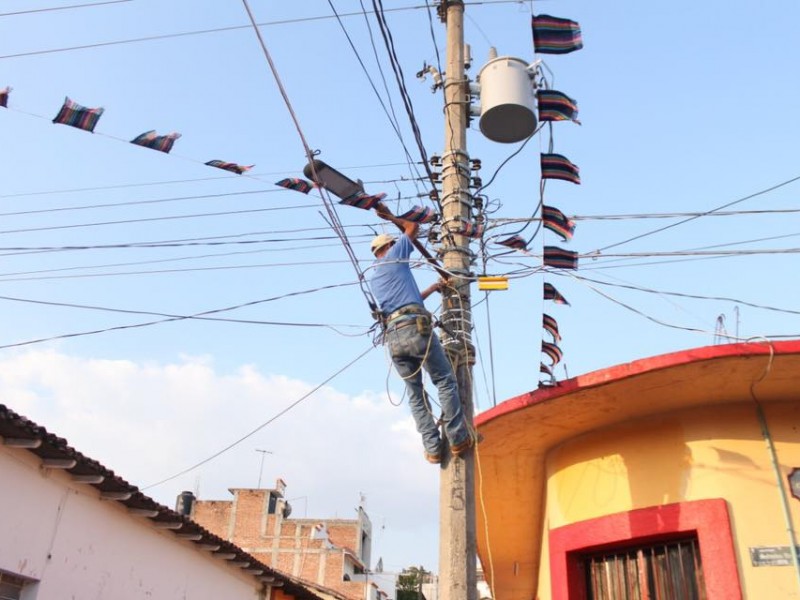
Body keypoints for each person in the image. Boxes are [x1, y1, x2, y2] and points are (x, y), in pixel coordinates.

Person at [369, 206, 473, 463]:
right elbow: (412, 229)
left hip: (394, 336)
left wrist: (432, 288)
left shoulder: (375, 278)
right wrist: (390, 217)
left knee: (415, 394)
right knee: (444, 380)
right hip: (416, 328)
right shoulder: (395, 256)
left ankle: (432, 448)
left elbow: (403, 303)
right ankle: (458, 438)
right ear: (389, 247)